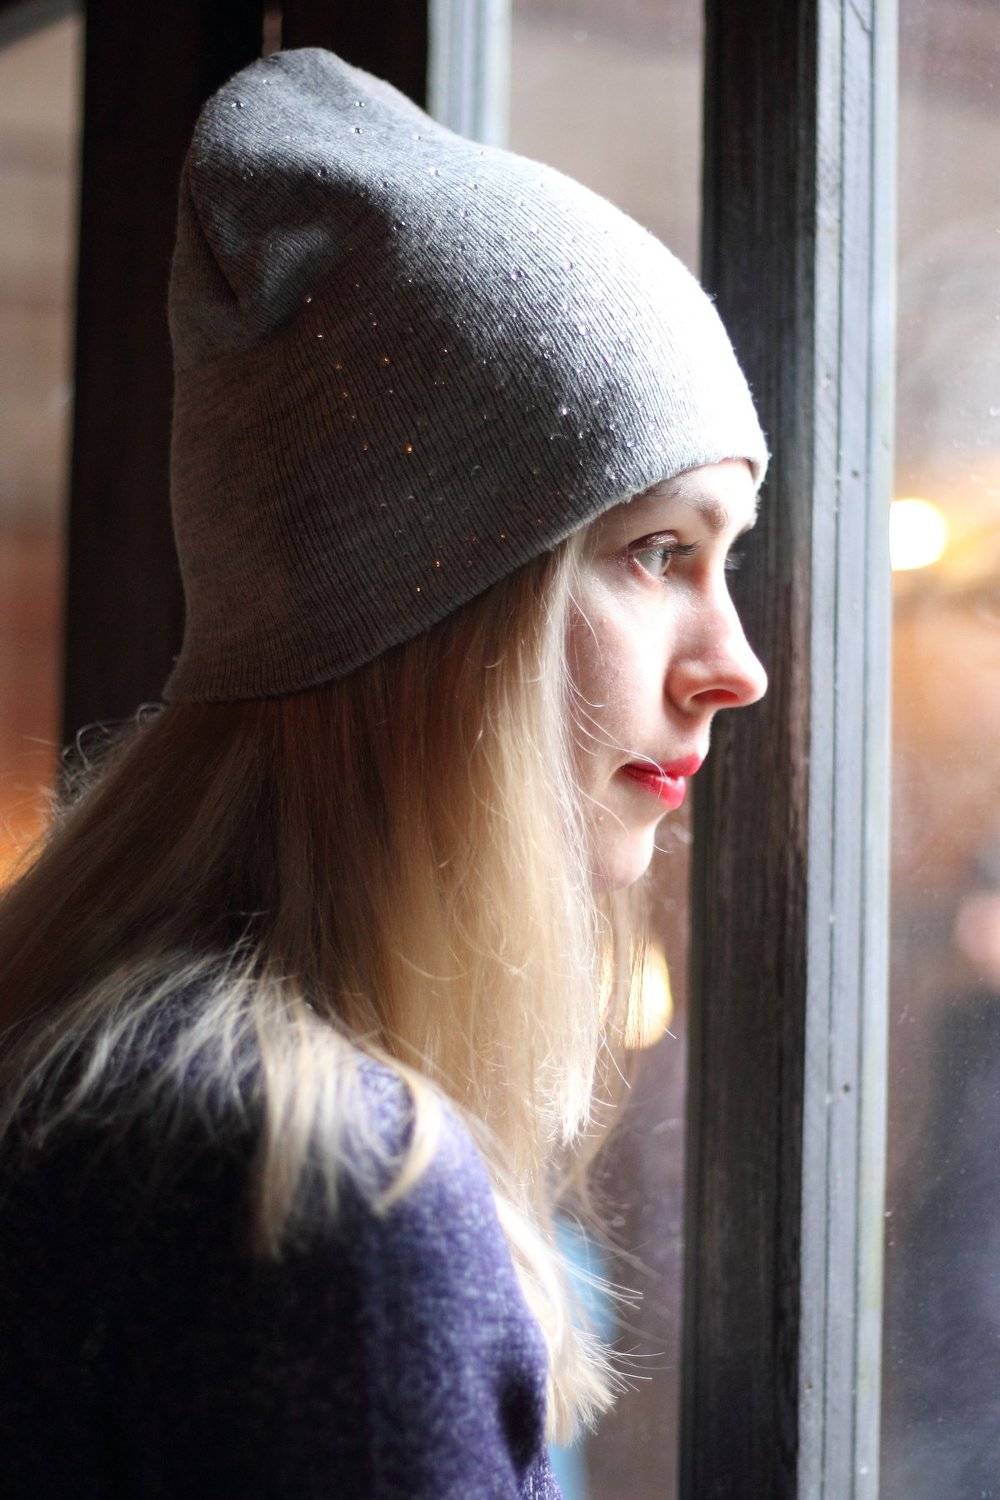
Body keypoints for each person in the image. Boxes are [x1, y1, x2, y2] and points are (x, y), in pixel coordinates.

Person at [0, 47, 768, 1499]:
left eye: (726, 558)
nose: (738, 665)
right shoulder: (321, 1186)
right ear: (436, 611)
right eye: (658, 550)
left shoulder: (109, 1071)